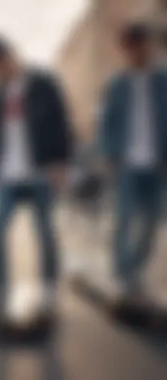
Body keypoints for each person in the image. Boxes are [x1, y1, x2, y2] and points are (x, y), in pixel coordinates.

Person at [0, 35, 71, 317]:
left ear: (10, 55)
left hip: (39, 172)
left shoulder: (43, 83)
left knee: (44, 232)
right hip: (6, 175)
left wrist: (60, 162)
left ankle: (49, 290)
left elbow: (60, 122)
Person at [99, 23, 167, 297]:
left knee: (152, 221)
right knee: (124, 219)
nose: (138, 53)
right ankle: (122, 273)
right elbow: (107, 122)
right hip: (126, 163)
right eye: (131, 48)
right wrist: (108, 154)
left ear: (149, 46)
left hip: (157, 164)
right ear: (125, 51)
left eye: (142, 46)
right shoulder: (117, 84)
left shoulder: (163, 81)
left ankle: (134, 268)